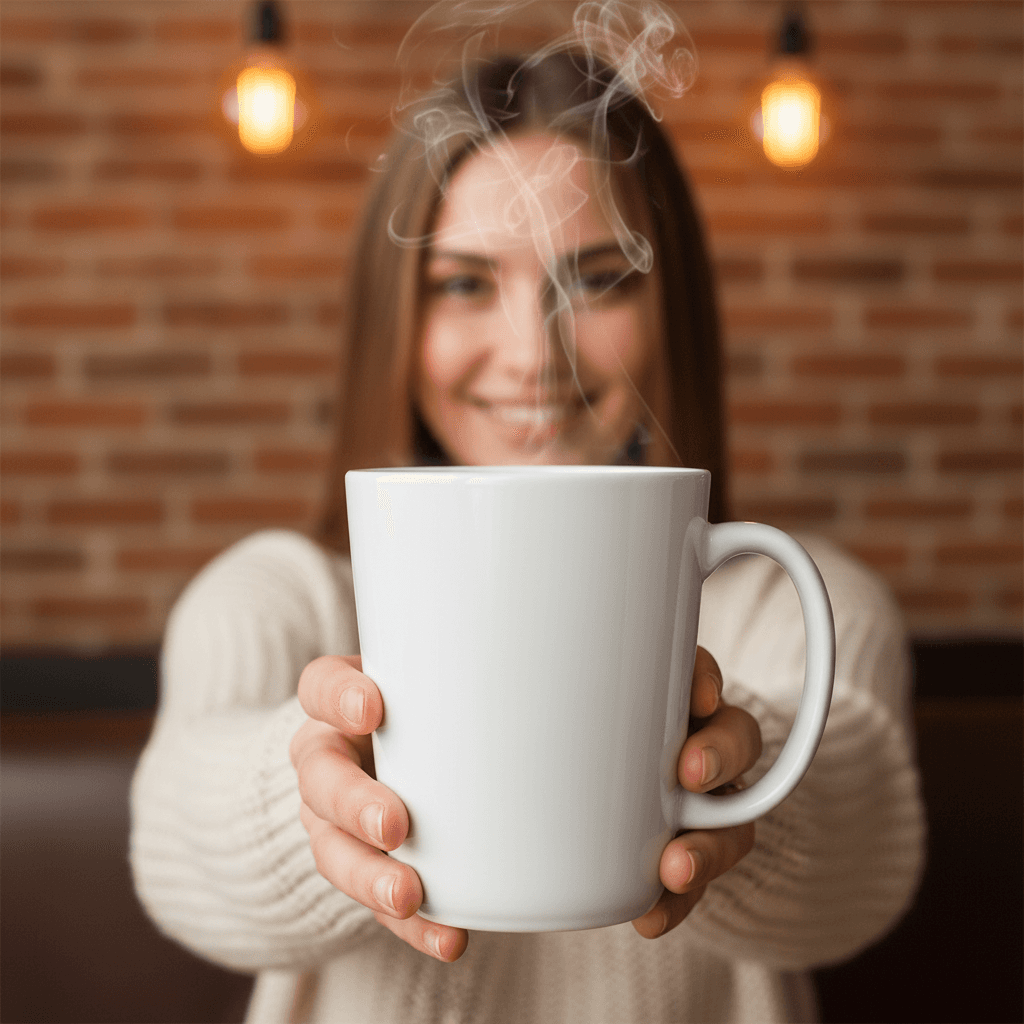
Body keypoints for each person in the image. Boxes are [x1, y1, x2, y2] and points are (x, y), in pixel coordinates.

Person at [130, 51, 925, 1024]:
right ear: (397, 316)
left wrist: (726, 779)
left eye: (596, 279)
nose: (531, 355)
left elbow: (866, 849)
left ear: (669, 309)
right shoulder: (280, 595)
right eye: (465, 284)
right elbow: (175, 842)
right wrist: (315, 797)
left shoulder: (798, 601)